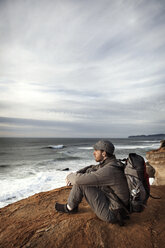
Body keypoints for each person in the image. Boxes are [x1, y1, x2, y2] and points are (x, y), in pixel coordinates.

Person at [55, 140, 130, 225]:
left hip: (113, 213)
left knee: (82, 184)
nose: (93, 153)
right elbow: (92, 167)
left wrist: (69, 176)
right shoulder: (113, 163)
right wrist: (78, 172)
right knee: (88, 173)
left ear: (104, 153)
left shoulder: (109, 170)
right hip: (119, 207)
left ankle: (70, 208)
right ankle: (72, 206)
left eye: (96, 150)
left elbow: (78, 180)